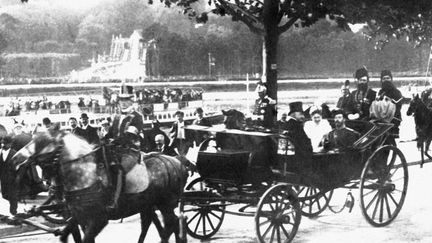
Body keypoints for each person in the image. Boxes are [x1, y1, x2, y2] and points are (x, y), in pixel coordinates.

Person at [375, 70, 403, 138]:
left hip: (394, 117)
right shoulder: (381, 92)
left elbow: (398, 105)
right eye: (384, 79)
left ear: (391, 79)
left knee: (389, 135)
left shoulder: (396, 92)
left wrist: (388, 100)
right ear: (381, 80)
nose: (386, 80)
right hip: (382, 117)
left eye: (388, 78)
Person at [0, 135, 18, 215]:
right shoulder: (0, 152)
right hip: (3, 178)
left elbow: (18, 167)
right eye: (2, 143)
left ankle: (13, 212)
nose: (3, 145)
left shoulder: (14, 153)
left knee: (13, 196)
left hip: (12, 178)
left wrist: (17, 178)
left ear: (10, 144)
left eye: (5, 143)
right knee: (5, 195)